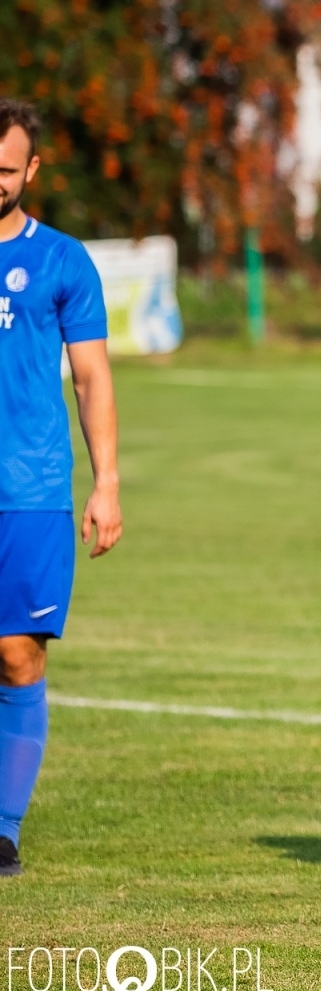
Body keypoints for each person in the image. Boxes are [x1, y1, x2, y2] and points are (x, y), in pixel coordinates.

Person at [0, 99, 123, 877]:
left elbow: (91, 377)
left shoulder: (63, 262)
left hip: (31, 492)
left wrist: (107, 483)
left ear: (31, 170)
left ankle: (3, 829)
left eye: (4, 170)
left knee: (17, 656)